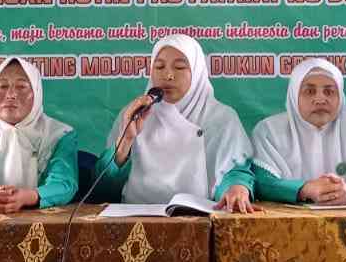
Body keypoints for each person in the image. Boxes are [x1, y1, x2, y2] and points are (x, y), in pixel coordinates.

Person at [96, 35, 257, 212]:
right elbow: (103, 190)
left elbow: (234, 173)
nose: (168, 75)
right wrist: (125, 141)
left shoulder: (221, 118)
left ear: (196, 72)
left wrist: (236, 188)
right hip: (134, 221)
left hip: (199, 222)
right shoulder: (133, 114)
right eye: (159, 67)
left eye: (180, 67)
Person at [0, 56, 79, 212]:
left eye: (22, 86)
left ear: (37, 93)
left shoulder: (60, 134)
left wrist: (29, 197)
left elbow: (64, 183)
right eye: (2, 86)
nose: (11, 94)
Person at [250, 57, 346, 205]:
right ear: (294, 96)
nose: (320, 99)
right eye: (310, 91)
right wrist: (304, 190)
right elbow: (261, 182)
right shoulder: (269, 131)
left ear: (340, 96)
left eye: (329, 91)